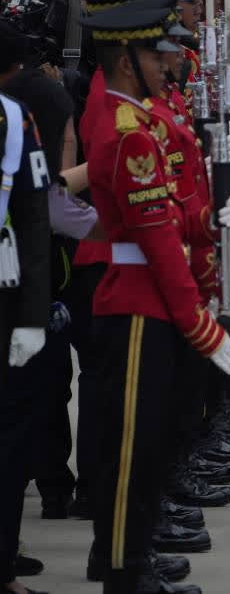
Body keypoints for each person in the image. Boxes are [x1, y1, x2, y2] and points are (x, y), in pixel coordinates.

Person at [82, 4, 230, 594]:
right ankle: (126, 572)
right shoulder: (128, 133)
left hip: (150, 296)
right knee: (135, 448)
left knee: (148, 441)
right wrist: (199, 324)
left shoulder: (138, 122)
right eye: (153, 54)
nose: (166, 63)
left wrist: (209, 218)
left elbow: (171, 218)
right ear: (127, 61)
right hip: (137, 303)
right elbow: (153, 239)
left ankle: (129, 557)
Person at [0, 52, 51, 594]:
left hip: (4, 296)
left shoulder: (12, 121)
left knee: (8, 443)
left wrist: (33, 315)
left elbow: (34, 221)